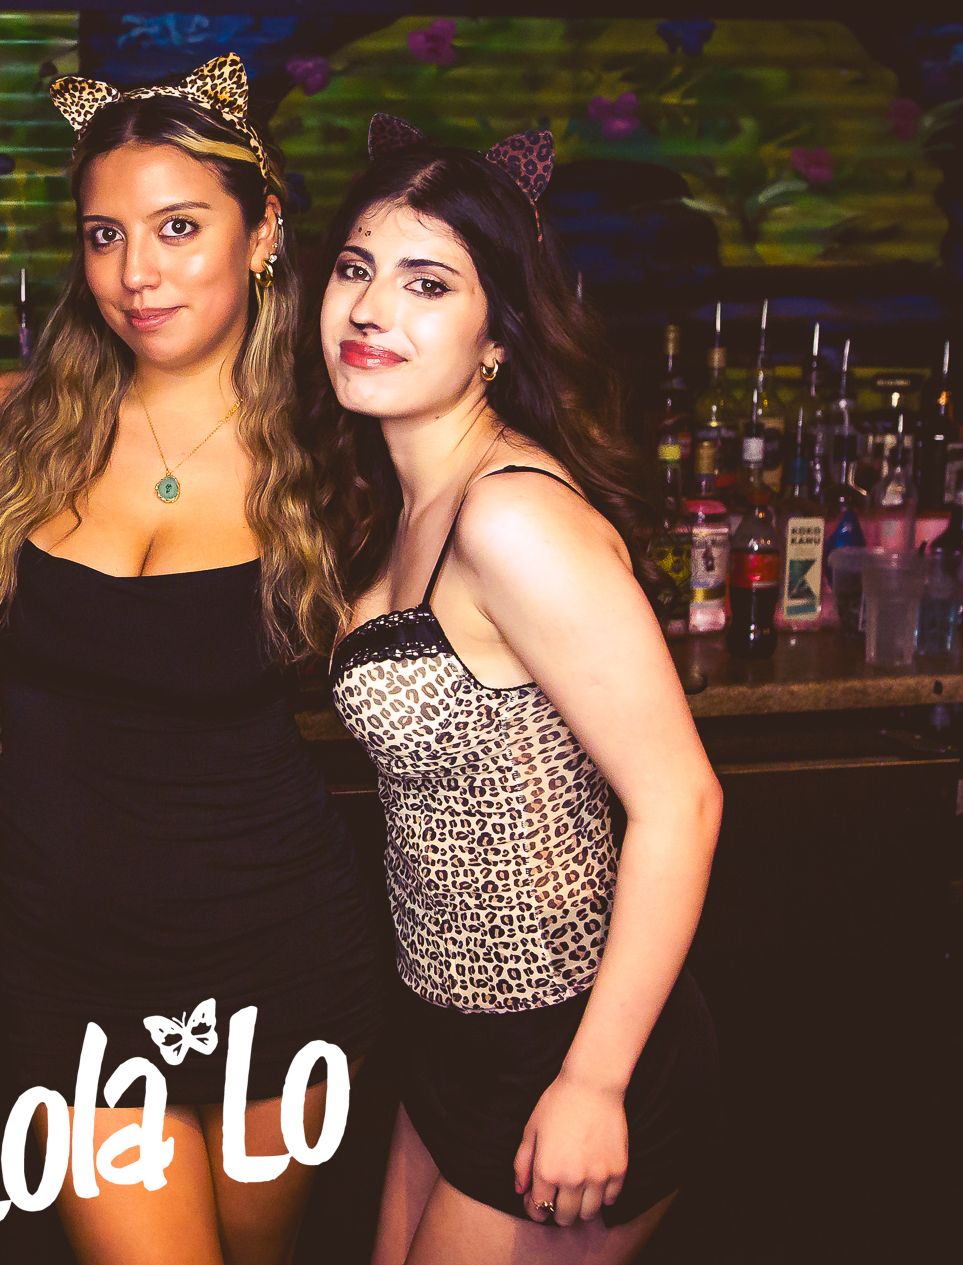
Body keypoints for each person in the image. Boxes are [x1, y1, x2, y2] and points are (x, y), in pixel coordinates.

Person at [0, 55, 385, 1265]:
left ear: (260, 232)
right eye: (104, 234)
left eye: (178, 227)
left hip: (275, 948)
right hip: (68, 961)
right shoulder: (13, 423)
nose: (135, 273)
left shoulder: (337, 451)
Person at [316, 115, 722, 1265]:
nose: (369, 310)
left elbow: (681, 802)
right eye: (353, 269)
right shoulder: (398, 500)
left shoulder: (510, 516)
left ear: (495, 334)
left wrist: (593, 1081)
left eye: (426, 284)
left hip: (563, 1042)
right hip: (447, 1029)